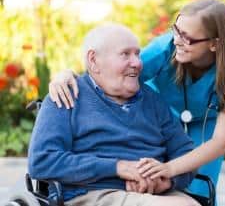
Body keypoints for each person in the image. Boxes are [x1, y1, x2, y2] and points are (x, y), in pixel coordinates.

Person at [48, 0, 225, 204]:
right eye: (176, 30)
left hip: (206, 122)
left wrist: (169, 170)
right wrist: (68, 75)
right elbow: (109, 77)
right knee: (155, 181)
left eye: (187, 38)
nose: (177, 41)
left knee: (200, 191)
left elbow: (220, 143)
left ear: (214, 43)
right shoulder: (164, 49)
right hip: (163, 114)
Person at [28, 24, 201, 206]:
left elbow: (186, 153)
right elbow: (42, 160)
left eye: (137, 54)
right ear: (93, 60)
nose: (137, 63)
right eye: (125, 54)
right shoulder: (66, 96)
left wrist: (167, 179)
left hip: (155, 194)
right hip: (93, 193)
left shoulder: (153, 101)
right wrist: (118, 167)